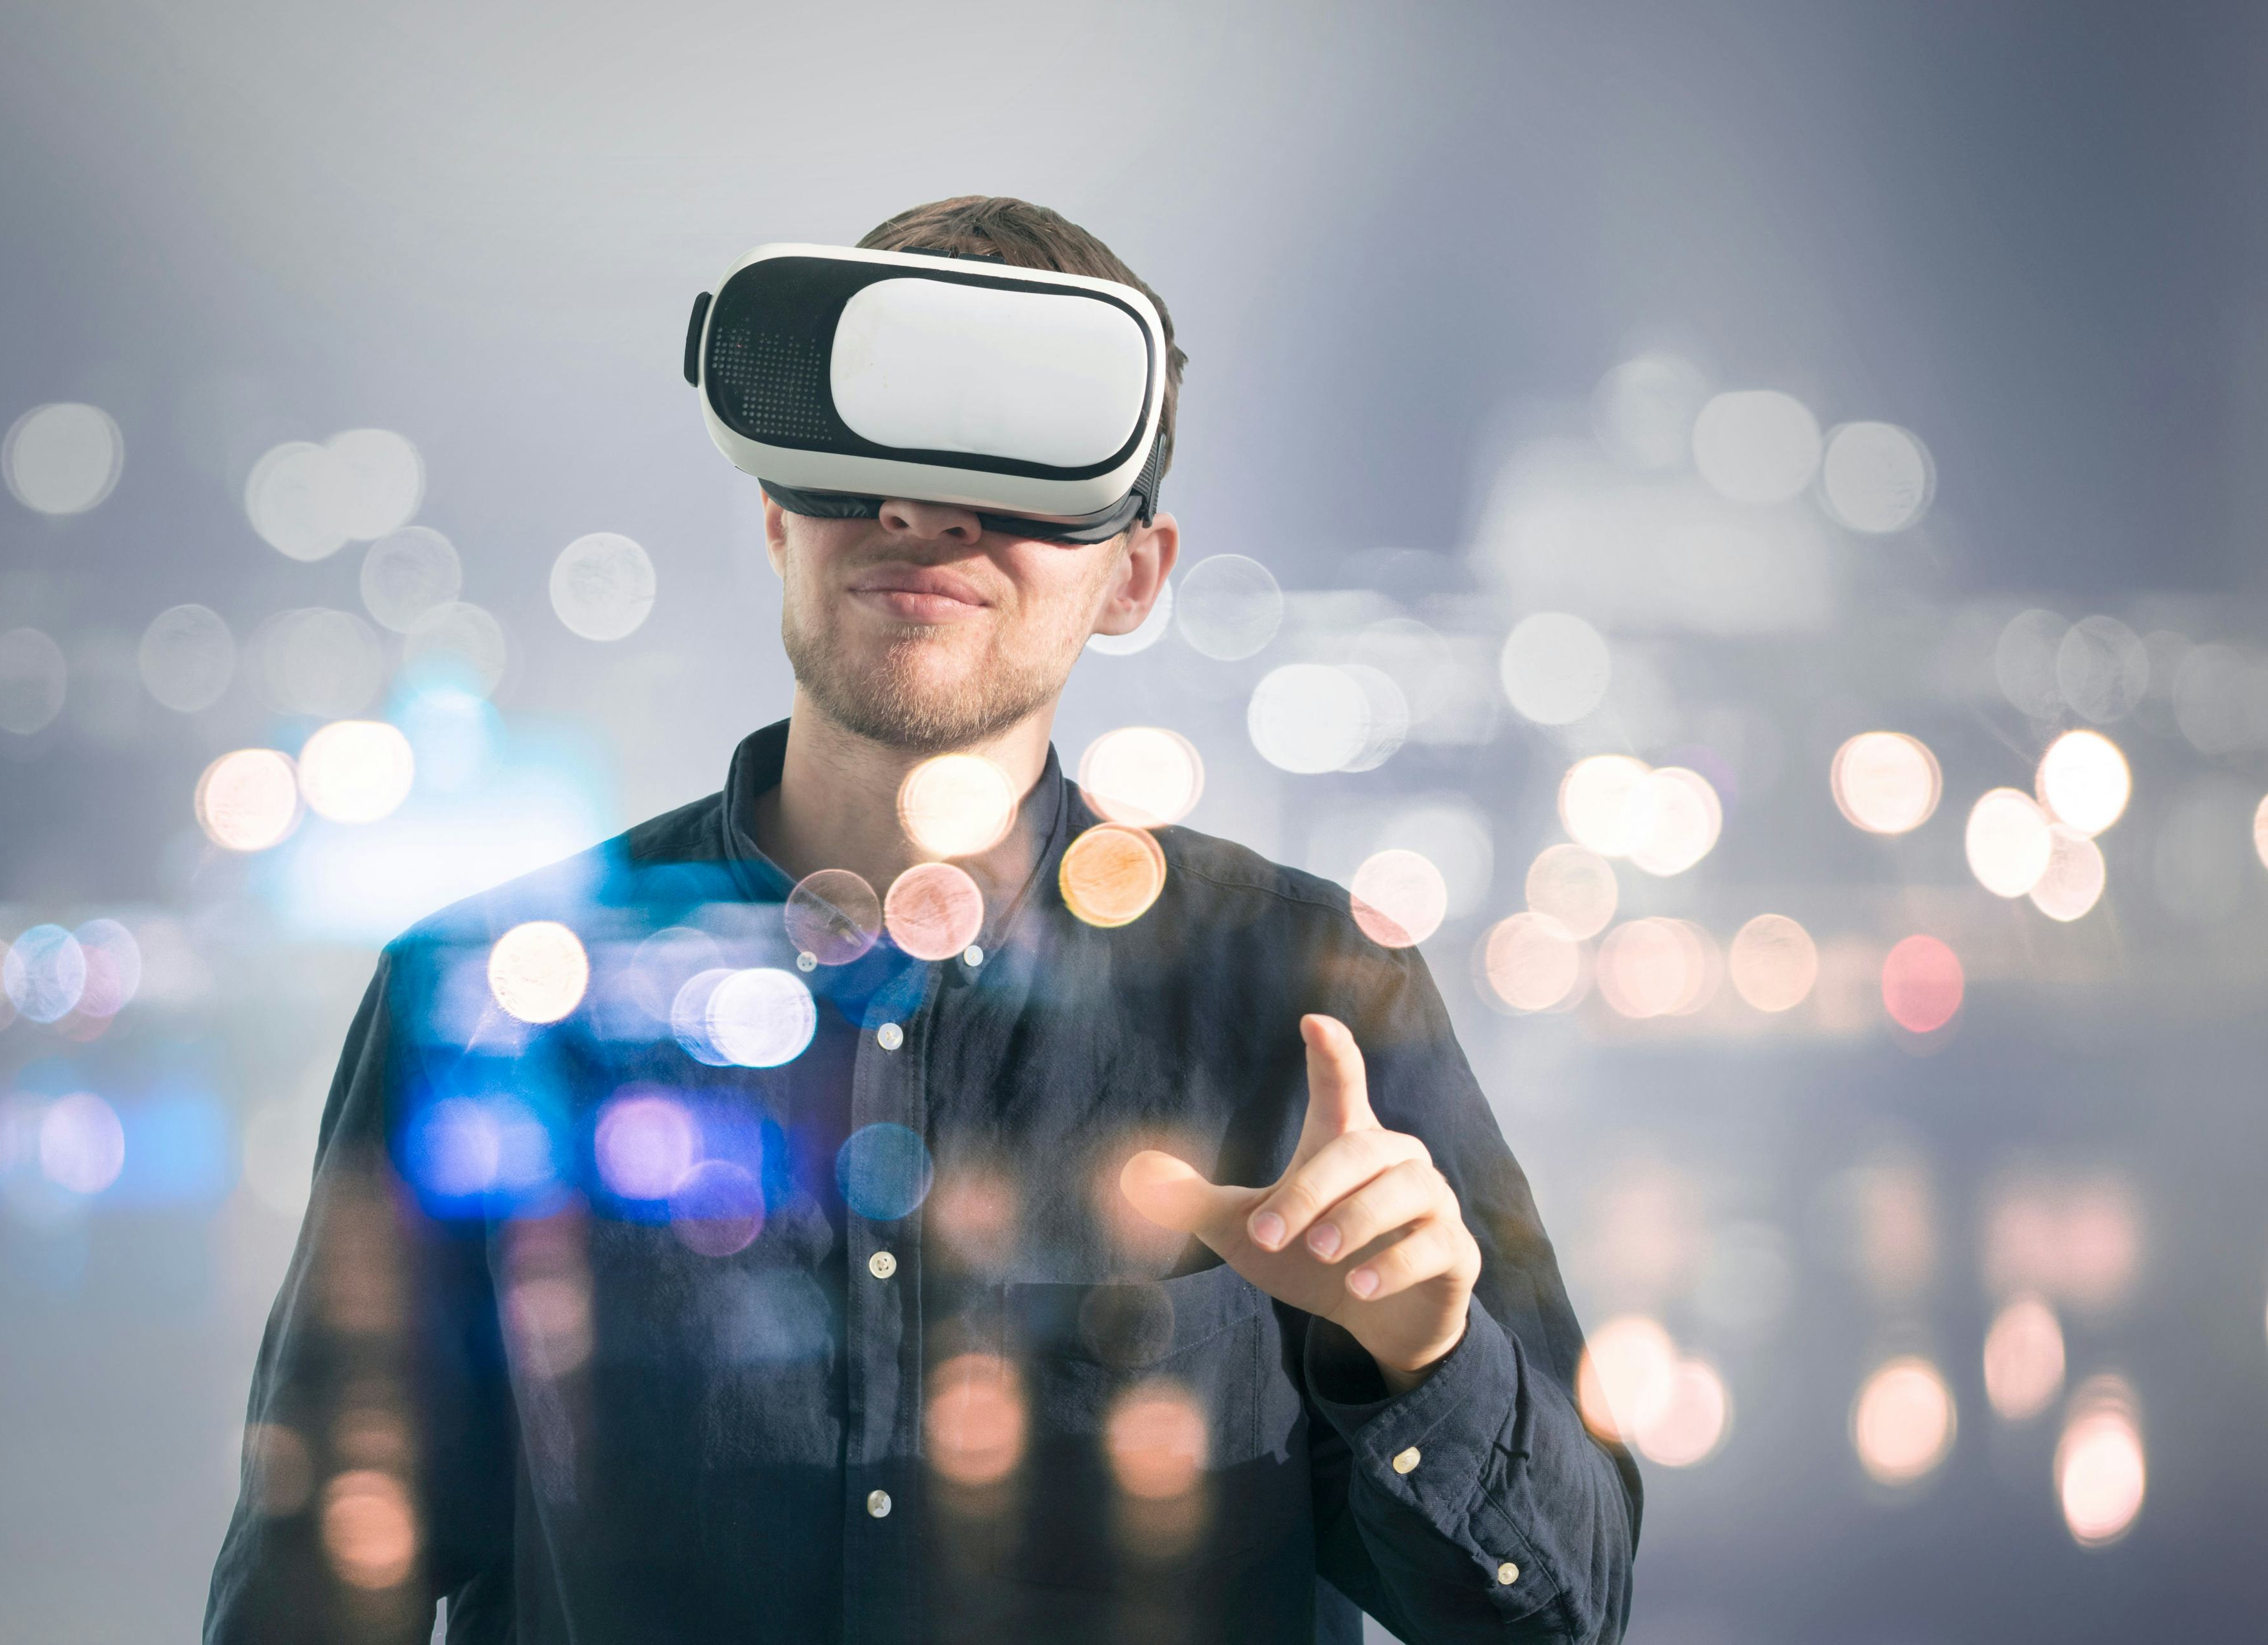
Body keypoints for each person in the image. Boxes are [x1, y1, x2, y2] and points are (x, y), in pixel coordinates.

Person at [206, 195, 1641, 1645]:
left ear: (1132, 573)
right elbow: (314, 1592)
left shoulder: (1310, 990)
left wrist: (1418, 1351)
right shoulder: (489, 1000)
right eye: (869, 458)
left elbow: (1568, 1613)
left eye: (1017, 465)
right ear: (779, 512)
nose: (927, 511)